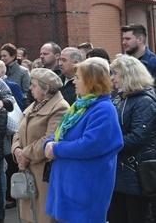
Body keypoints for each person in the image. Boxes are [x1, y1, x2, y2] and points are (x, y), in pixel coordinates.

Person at [44, 57, 123, 223]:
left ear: (91, 81)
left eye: (78, 78)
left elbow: (90, 145)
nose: (74, 82)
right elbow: (60, 132)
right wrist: (49, 144)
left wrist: (56, 149)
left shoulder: (104, 109)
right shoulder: (79, 106)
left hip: (84, 189)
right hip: (68, 186)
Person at [11, 68, 68, 223]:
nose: (30, 88)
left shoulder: (60, 107)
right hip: (27, 170)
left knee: (43, 217)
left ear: (46, 89)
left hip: (43, 173)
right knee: (28, 216)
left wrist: (25, 154)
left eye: (34, 85)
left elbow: (50, 138)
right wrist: (16, 150)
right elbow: (18, 131)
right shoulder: (34, 105)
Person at [108, 55, 156, 223]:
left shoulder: (144, 100)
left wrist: (108, 146)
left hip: (137, 171)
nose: (112, 78)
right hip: (120, 171)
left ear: (129, 75)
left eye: (115, 73)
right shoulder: (120, 98)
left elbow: (138, 136)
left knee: (136, 216)